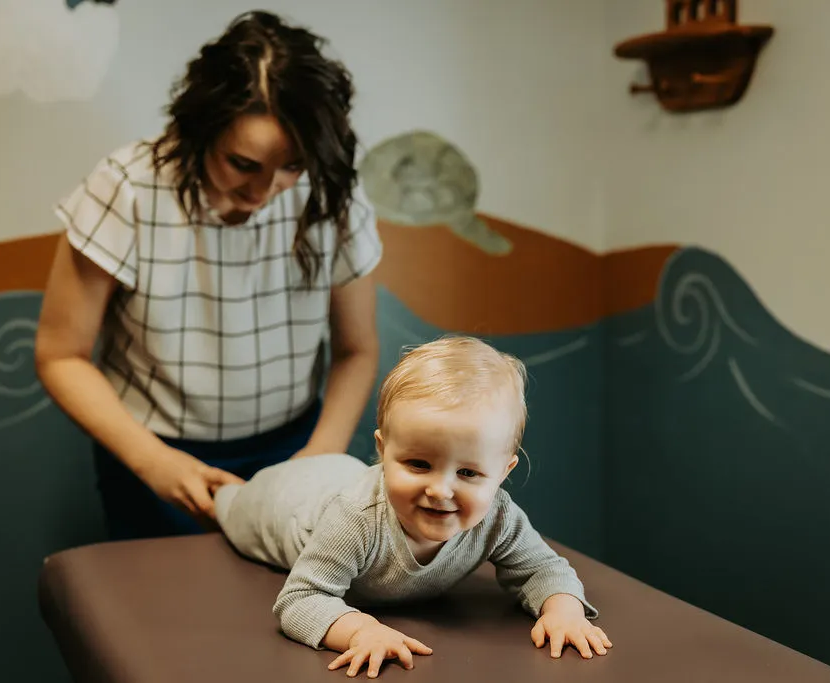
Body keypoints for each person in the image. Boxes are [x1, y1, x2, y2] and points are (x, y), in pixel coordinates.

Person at [34, 10, 383, 541]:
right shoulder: (125, 187)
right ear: (198, 129)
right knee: (164, 616)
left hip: (296, 443)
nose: (264, 193)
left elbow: (356, 351)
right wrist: (154, 463)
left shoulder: (331, 190)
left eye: (292, 168)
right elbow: (60, 355)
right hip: (152, 452)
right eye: (243, 164)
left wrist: (318, 458)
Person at [214, 336, 612, 679]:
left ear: (504, 470)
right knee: (228, 500)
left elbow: (543, 568)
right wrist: (359, 630)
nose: (440, 490)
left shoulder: (498, 517)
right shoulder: (355, 519)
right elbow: (299, 599)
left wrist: (563, 610)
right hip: (287, 500)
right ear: (384, 451)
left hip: (338, 475)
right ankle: (225, 490)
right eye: (418, 465)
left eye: (469, 473)